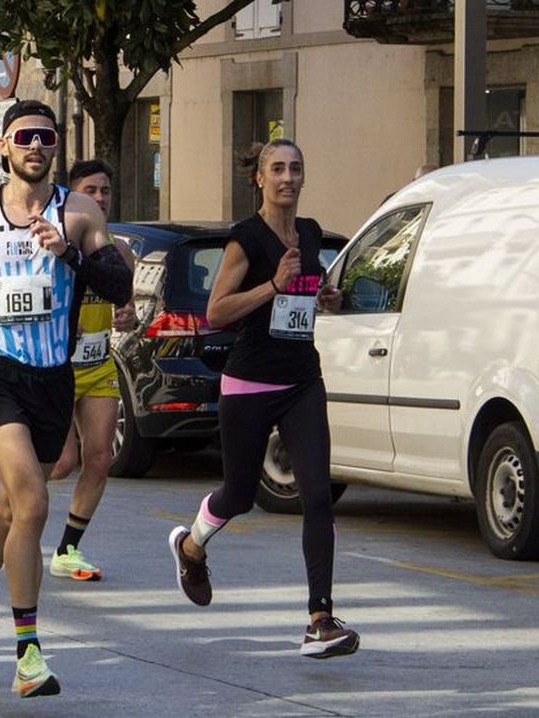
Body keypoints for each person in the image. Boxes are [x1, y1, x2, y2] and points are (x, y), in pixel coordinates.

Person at [0, 100, 132, 698]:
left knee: (12, 511)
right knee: (33, 503)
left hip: (52, 377)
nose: (36, 146)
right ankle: (28, 653)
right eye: (25, 137)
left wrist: (68, 251)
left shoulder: (81, 211)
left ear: (56, 148)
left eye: (47, 138)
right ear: (3, 146)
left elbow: (118, 287)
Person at [167, 138, 359, 660]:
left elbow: (304, 294)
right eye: (277, 169)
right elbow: (218, 311)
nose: (287, 178)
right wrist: (274, 285)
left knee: (317, 494)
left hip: (301, 380)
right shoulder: (245, 239)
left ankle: (320, 618)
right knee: (239, 496)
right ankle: (190, 547)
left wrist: (323, 297)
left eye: (296, 168)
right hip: (250, 382)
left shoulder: (311, 233)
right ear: (260, 178)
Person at [44, 159, 137, 582]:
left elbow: (127, 306)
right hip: (58, 365)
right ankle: (12, 516)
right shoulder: (55, 245)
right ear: (73, 198)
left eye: (105, 190)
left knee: (99, 458)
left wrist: (127, 316)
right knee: (60, 462)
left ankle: (67, 549)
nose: (99, 198)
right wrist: (65, 318)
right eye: (90, 190)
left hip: (98, 365)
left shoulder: (120, 252)